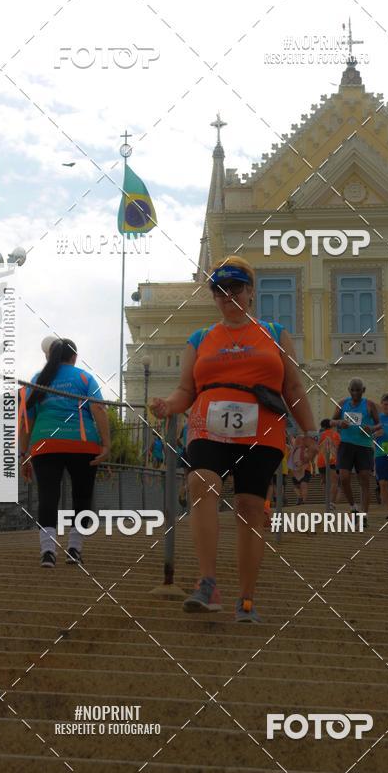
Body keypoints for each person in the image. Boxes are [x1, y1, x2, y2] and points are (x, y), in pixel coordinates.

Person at [150, 255, 318, 622]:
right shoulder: (200, 339)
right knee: (201, 482)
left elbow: (293, 387)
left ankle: (246, 600)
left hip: (262, 429)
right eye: (220, 290)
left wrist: (310, 432)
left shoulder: (275, 333)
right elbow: (185, 390)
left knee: (250, 508)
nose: (228, 296)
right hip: (207, 425)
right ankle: (207, 583)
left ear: (251, 292)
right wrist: (168, 406)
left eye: (236, 288)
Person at [19, 338, 110, 568]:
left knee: (48, 496)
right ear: (74, 357)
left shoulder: (38, 379)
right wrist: (106, 444)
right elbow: (98, 409)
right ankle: (74, 549)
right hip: (82, 444)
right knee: (82, 497)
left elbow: (26, 420)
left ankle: (48, 552)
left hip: (45, 444)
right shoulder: (84, 378)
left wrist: (23, 453)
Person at [331, 378, 381, 529]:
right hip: (346, 445)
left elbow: (379, 424)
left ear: (363, 390)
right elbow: (331, 421)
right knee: (344, 477)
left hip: (364, 446)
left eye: (358, 390)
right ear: (349, 390)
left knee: (364, 480)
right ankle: (353, 507)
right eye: (352, 390)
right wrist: (340, 423)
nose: (355, 393)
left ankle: (364, 515)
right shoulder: (342, 404)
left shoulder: (369, 405)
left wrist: (371, 428)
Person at [317, 418, 340, 509]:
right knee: (334, 482)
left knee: (324, 481)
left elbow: (317, 447)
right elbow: (339, 448)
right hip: (332, 460)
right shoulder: (336, 434)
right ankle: (331, 502)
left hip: (320, 461)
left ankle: (327, 500)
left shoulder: (320, 435)